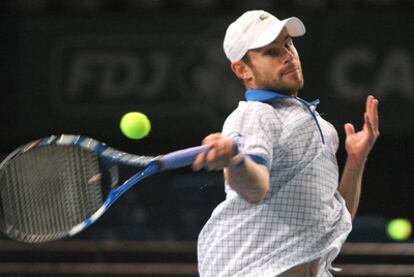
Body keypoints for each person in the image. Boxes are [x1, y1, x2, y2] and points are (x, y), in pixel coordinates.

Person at [193, 10, 379, 277]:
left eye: (288, 44)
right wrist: (235, 162)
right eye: (271, 52)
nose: (288, 55)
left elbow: (336, 218)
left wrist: (356, 161)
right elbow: (255, 188)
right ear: (242, 69)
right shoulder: (255, 115)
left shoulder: (322, 128)